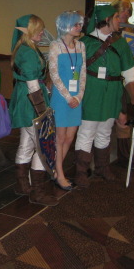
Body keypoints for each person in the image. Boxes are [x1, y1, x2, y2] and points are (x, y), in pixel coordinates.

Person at [74, 5, 134, 188]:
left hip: (113, 91)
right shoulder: (85, 43)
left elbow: (129, 73)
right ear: (106, 20)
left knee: (105, 131)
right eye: (115, 18)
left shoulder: (120, 43)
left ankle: (102, 168)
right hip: (92, 91)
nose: (119, 21)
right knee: (87, 131)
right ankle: (81, 172)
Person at [9, 14, 58, 206]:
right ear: (28, 31)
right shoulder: (27, 52)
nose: (43, 33)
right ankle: (37, 192)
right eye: (39, 30)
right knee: (42, 144)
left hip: (26, 99)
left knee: (27, 143)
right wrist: (42, 112)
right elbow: (32, 85)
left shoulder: (27, 48)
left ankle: (22, 185)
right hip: (31, 100)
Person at [49, 11, 86, 191]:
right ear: (65, 26)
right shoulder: (55, 46)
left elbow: (83, 73)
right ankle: (60, 174)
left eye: (79, 24)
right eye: (75, 24)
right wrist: (68, 97)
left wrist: (78, 96)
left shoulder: (81, 46)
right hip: (61, 98)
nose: (79, 27)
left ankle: (56, 170)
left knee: (70, 137)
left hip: (76, 99)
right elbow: (54, 75)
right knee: (60, 137)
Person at [110, 0, 134, 170]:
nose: (126, 14)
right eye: (123, 10)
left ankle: (124, 155)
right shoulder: (107, 31)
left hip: (127, 81)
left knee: (123, 118)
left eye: (128, 11)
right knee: (105, 120)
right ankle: (98, 157)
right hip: (110, 80)